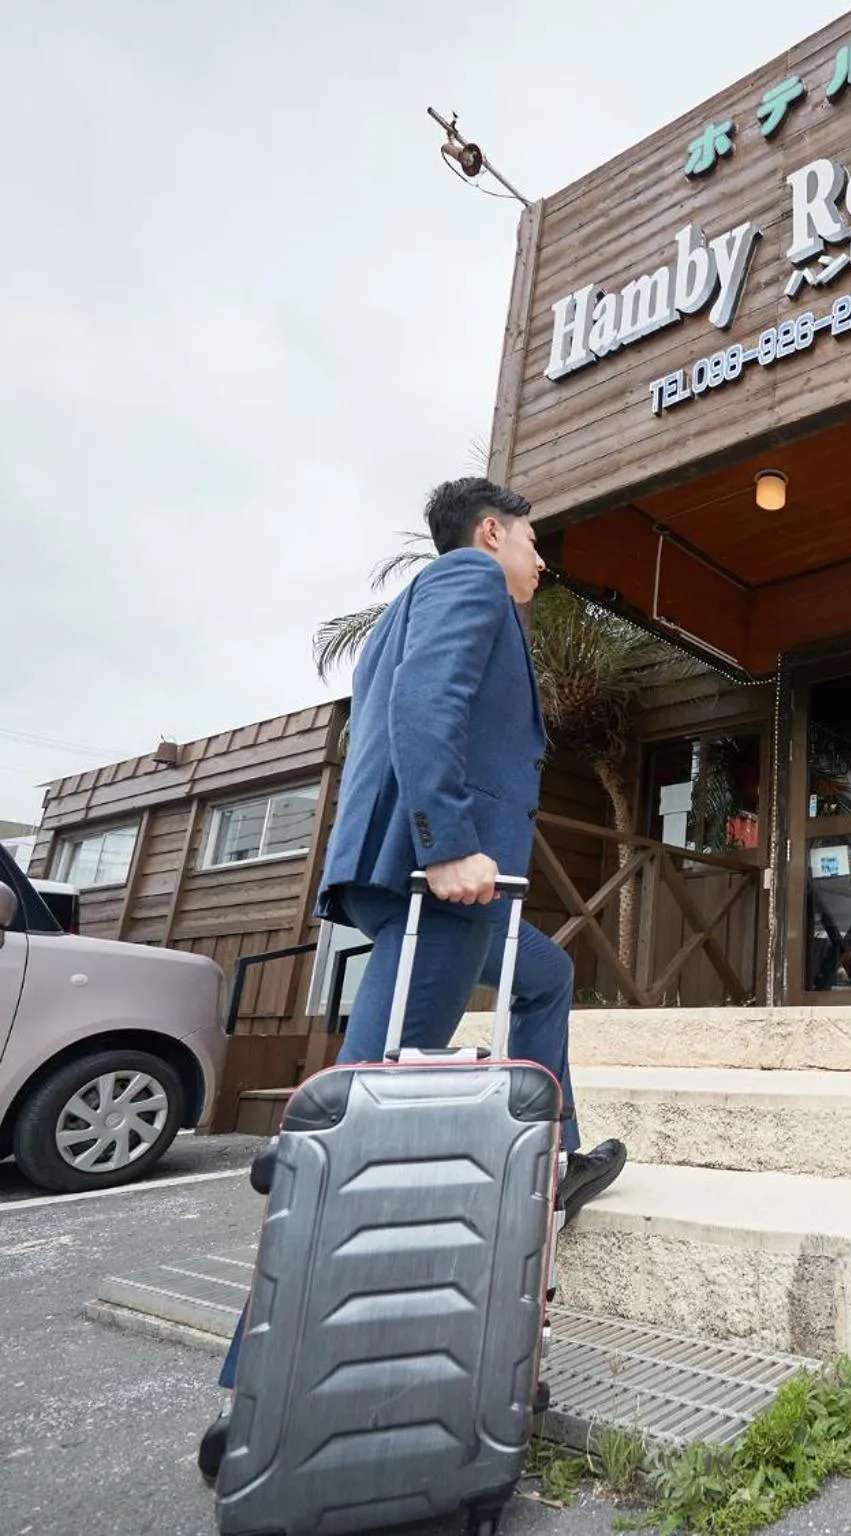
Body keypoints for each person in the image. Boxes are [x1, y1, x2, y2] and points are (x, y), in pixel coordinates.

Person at [199, 477, 629, 1481]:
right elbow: (425, 704)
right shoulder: (469, 582)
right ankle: (255, 1396)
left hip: (460, 887)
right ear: (491, 532)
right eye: (531, 539)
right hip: (441, 881)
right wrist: (444, 844)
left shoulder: (447, 591)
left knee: (546, 978)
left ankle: (549, 1158)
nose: (539, 558)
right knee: (359, 1124)